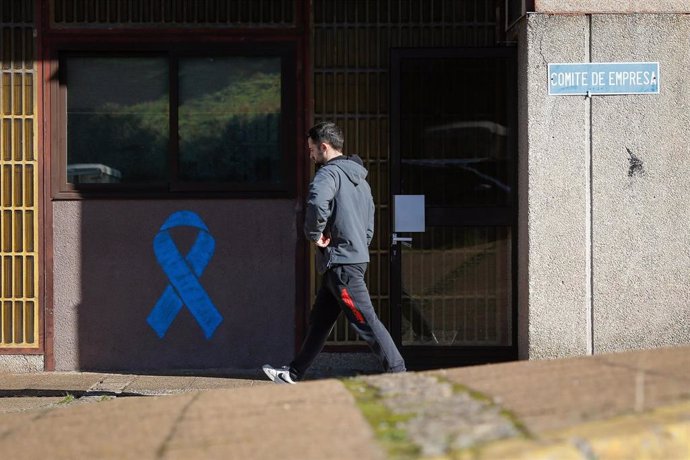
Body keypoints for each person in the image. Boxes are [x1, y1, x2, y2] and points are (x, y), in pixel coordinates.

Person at [263, 122, 406, 384]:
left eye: (312, 149)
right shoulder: (360, 180)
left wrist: (315, 235)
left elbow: (317, 202)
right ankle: (293, 373)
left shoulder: (328, 174)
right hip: (349, 258)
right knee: (319, 322)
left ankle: (399, 374)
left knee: (365, 320)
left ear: (324, 147)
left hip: (342, 263)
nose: (310, 155)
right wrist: (357, 244)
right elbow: (369, 221)